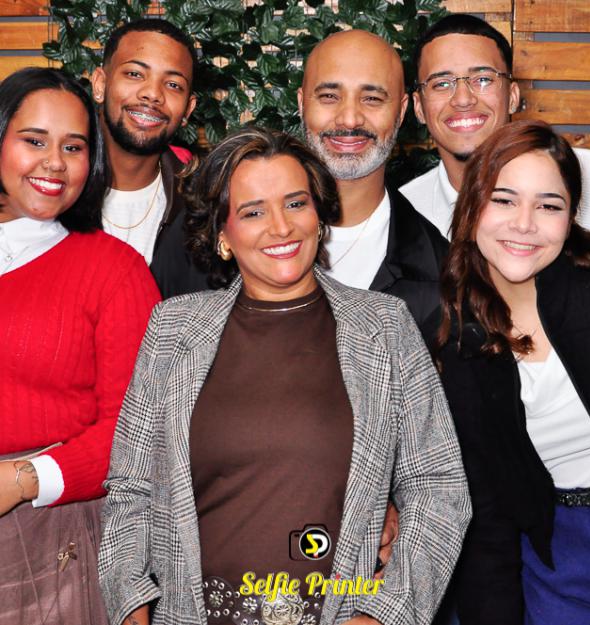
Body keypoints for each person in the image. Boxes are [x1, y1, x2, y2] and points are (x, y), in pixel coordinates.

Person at [99, 127, 471, 625]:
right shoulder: (173, 330)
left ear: (319, 216)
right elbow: (130, 489)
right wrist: (131, 605)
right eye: (253, 212)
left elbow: (438, 487)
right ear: (223, 235)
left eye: (296, 204)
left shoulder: (384, 327)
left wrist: (384, 615)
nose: (280, 227)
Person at [435, 120, 590, 625]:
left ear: (571, 216)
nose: (524, 224)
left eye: (548, 205)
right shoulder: (458, 340)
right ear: (471, 206)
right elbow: (487, 508)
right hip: (558, 553)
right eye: (503, 200)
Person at [153, 30, 448, 333]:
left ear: (401, 111)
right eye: (329, 96)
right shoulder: (204, 229)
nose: (349, 119)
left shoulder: (440, 268)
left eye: (372, 99)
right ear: (302, 103)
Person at [0, 67, 160, 623]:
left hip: (47, 535)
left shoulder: (113, 271)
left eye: (73, 147)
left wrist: (23, 479)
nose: (54, 163)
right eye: (34, 140)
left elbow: (137, 432)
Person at [400, 13, 590, 240]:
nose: (463, 99)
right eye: (441, 84)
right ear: (418, 107)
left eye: (483, 79)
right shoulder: (406, 212)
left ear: (513, 97)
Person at [90, 18, 197, 265]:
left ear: (188, 109)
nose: (152, 94)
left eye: (173, 85)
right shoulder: (54, 186)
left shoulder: (201, 204)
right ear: (100, 84)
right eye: (135, 74)